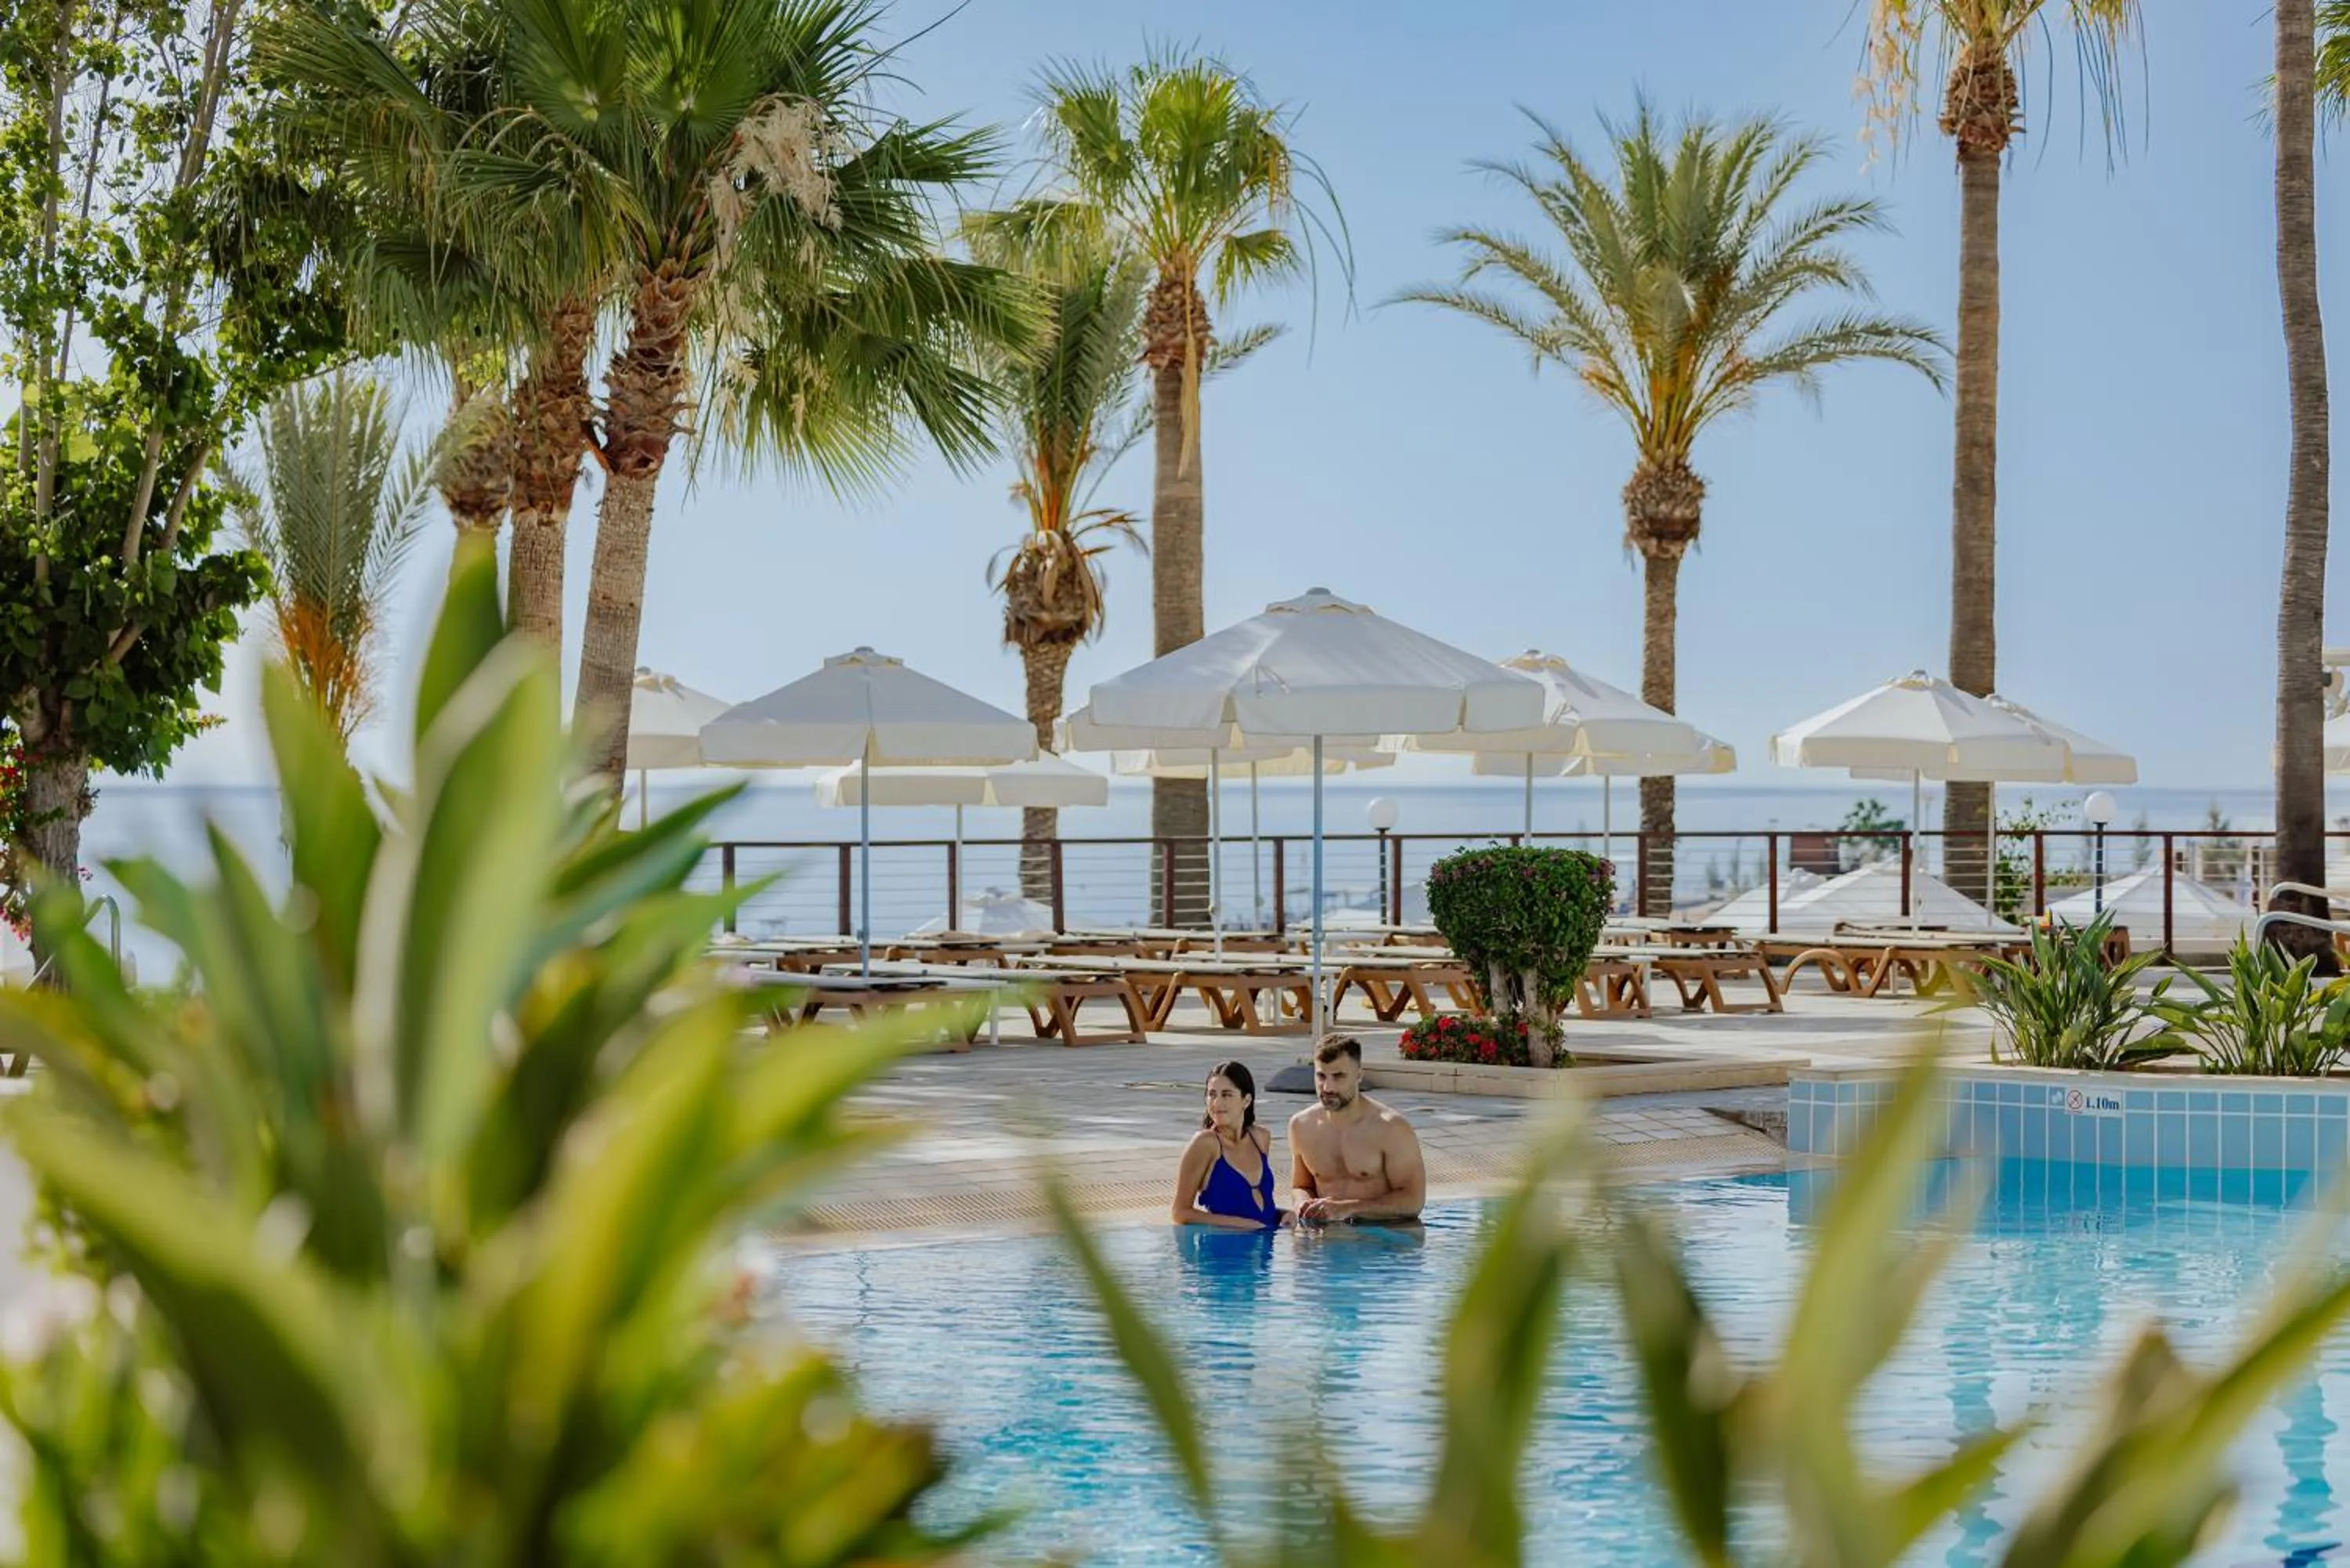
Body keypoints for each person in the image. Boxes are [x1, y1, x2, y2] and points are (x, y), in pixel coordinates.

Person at [1288, 1035, 1426, 1225]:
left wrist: (1348, 1208)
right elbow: (1301, 1185)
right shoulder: (1301, 1125)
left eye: (1338, 1076)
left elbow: (1413, 1202)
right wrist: (1303, 1204)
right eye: (1321, 1076)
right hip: (1328, 1240)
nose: (1327, 1087)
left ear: (1359, 1075)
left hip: (1382, 1240)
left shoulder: (1391, 1128)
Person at [1171, 1060, 1286, 1230]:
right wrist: (1243, 1225)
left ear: (1246, 1101)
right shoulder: (1206, 1144)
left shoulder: (1260, 1138)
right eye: (1212, 1094)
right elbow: (1180, 1213)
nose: (1216, 1103)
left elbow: (1257, 1208)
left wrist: (1284, 1215)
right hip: (1224, 1251)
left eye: (1226, 1095)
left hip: (1263, 1250)